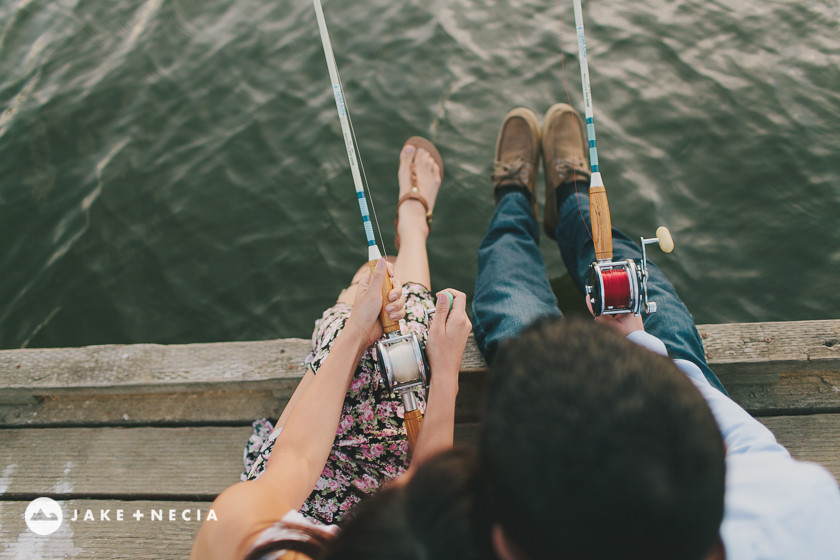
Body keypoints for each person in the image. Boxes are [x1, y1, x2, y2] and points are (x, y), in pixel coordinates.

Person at [472, 104, 840, 559]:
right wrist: (637, 338)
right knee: (636, 284)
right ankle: (571, 200)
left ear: (505, 546)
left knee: (513, 304)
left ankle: (513, 202)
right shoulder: (805, 509)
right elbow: (752, 448)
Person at [190, 137, 473, 560]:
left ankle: (360, 294)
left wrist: (357, 331)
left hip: (291, 496)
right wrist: (446, 371)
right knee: (402, 345)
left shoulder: (239, 536)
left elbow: (299, 458)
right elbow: (424, 491)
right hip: (365, 502)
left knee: (374, 335)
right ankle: (412, 224)